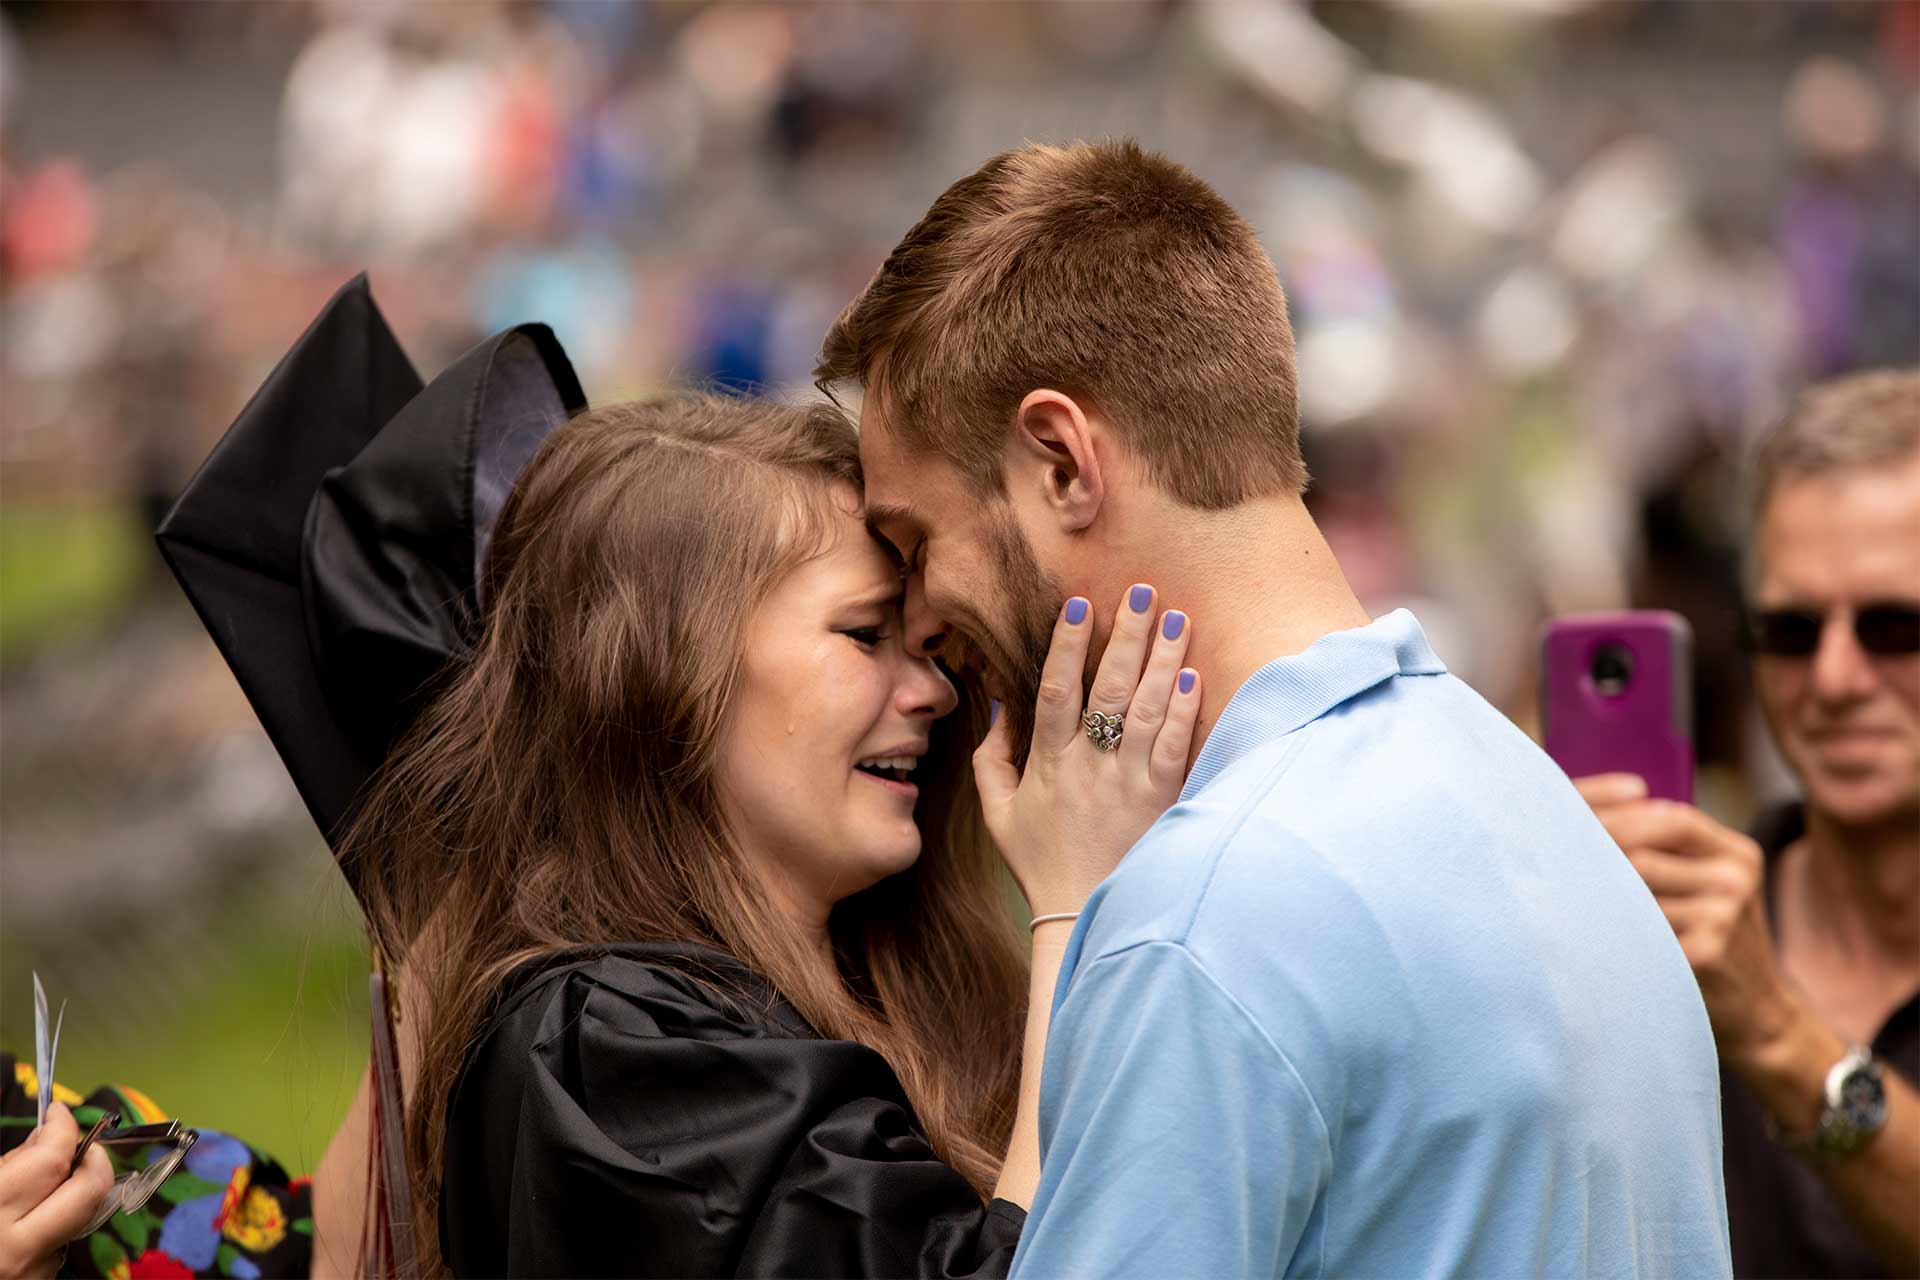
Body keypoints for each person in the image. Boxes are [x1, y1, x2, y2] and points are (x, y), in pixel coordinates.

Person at [151, 277, 1209, 1277]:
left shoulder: (901, 978)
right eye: (864, 633)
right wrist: (1072, 901)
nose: (931, 687)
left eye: (926, 640)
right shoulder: (611, 1054)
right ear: (661, 682)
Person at [815, 138, 1733, 1277]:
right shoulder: (1538, 810)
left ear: (1061, 462)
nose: (921, 625)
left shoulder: (1206, 918)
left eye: (914, 542)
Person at [1578, 369, 1919, 1279]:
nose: (1838, 679)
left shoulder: (1728, 968)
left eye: (1894, 627)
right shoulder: (1665, 929)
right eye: (1792, 631)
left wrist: (1774, 1031)